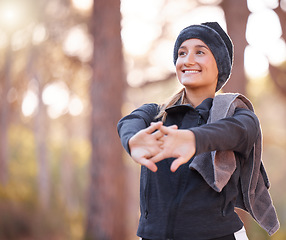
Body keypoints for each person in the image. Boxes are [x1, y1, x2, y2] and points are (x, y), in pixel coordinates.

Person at [117, 22, 279, 240]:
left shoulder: (237, 115)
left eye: (200, 52)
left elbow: (240, 131)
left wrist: (193, 139)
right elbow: (130, 120)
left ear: (219, 65)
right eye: (182, 53)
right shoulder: (155, 115)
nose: (188, 60)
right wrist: (131, 141)